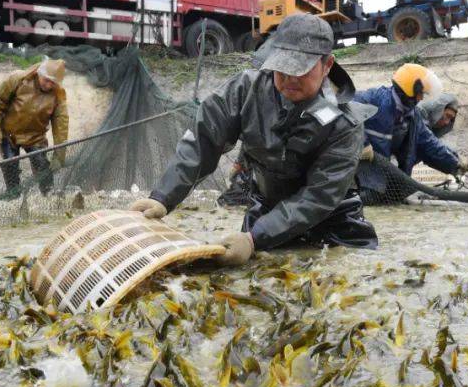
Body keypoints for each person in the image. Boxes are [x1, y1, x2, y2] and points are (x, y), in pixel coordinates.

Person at [129, 13, 378, 265]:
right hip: (266, 208)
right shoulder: (245, 90)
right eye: (282, 68)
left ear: (327, 65)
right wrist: (162, 197)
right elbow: (202, 141)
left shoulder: (345, 124)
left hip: (333, 221)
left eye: (300, 70)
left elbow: (318, 196)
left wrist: (254, 239)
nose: (289, 79)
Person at [353, 64, 468, 201]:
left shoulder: (412, 117)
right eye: (420, 94)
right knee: (361, 199)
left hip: (376, 173)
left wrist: (455, 164)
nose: (421, 99)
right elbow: (345, 111)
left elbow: (429, 144)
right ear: (409, 89)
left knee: (400, 191)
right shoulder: (372, 100)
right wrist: (362, 143)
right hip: (353, 171)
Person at [0, 58, 68, 195]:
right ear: (39, 73)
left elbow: (61, 125)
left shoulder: (58, 95)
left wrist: (59, 156)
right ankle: (13, 196)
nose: (49, 85)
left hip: (36, 137)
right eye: (46, 80)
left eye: (53, 83)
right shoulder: (18, 79)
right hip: (10, 133)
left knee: (42, 165)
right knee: (10, 164)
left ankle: (48, 195)